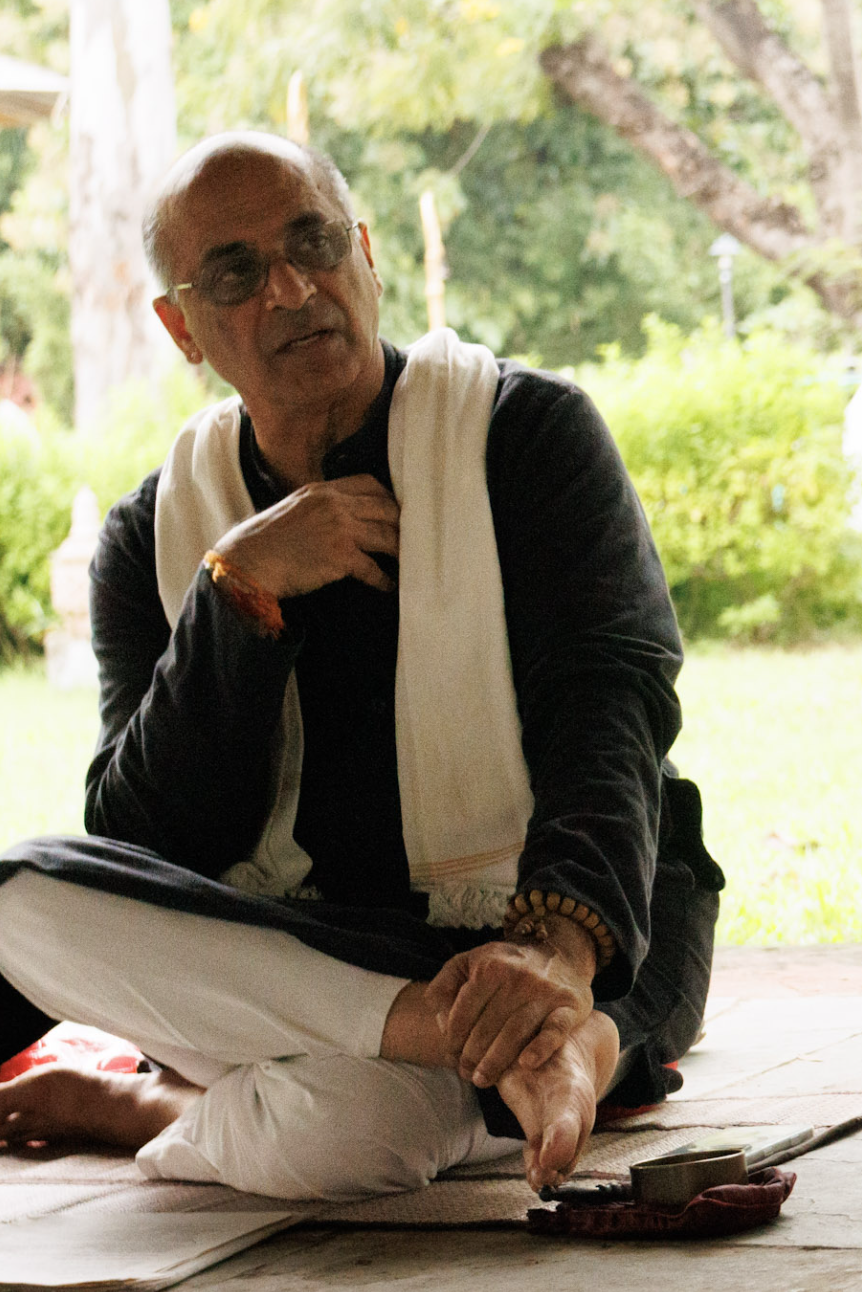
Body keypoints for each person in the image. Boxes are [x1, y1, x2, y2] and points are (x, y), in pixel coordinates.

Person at [0, 132, 723, 1201]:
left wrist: (558, 953)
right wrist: (237, 595)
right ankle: (480, 1047)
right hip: (310, 954)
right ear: (182, 325)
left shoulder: (526, 438)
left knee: (362, 1128)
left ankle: (172, 1106)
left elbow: (609, 707)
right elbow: (143, 841)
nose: (294, 288)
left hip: (553, 919)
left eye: (315, 240)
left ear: (367, 254)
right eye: (237, 272)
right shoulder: (152, 534)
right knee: (16, 898)